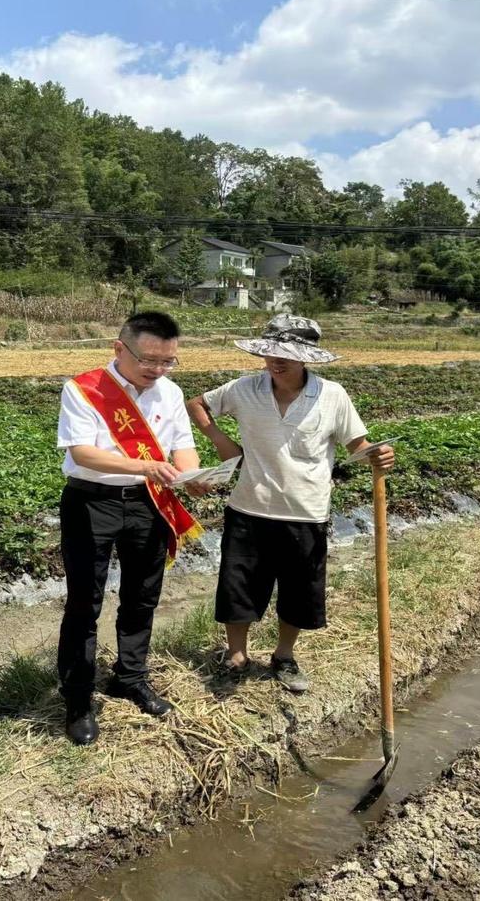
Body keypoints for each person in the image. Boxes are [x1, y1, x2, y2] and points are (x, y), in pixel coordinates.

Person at [186, 314, 394, 694]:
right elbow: (197, 404)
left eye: (288, 354)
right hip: (248, 508)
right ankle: (236, 655)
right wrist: (220, 439)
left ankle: (283, 655)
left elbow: (357, 446)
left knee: (299, 591)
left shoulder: (332, 396)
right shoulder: (245, 388)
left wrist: (377, 455)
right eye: (270, 353)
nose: (276, 361)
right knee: (239, 586)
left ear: (307, 358)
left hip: (306, 513)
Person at [56, 311, 207, 745]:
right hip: (92, 502)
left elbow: (183, 447)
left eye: (168, 362)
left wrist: (192, 476)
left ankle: (131, 677)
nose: (158, 371)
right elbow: (84, 453)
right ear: (119, 348)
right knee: (85, 602)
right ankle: (78, 699)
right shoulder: (83, 389)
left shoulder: (170, 393)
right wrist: (145, 466)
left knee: (142, 595)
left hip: (148, 503)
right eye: (150, 361)